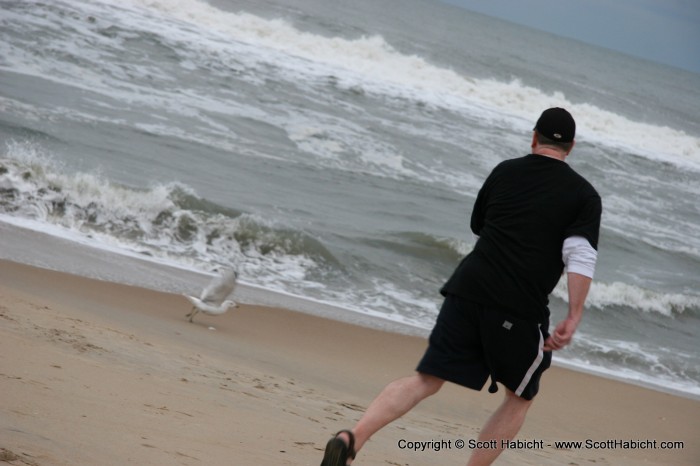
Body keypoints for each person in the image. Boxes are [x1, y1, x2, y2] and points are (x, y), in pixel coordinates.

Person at [320, 108, 602, 466]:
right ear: (571, 147)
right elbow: (578, 253)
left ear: (534, 138)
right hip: (519, 305)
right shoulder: (584, 196)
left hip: (467, 288)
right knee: (520, 396)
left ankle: (351, 438)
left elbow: (479, 227)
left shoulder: (504, 171)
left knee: (426, 379)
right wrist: (574, 315)